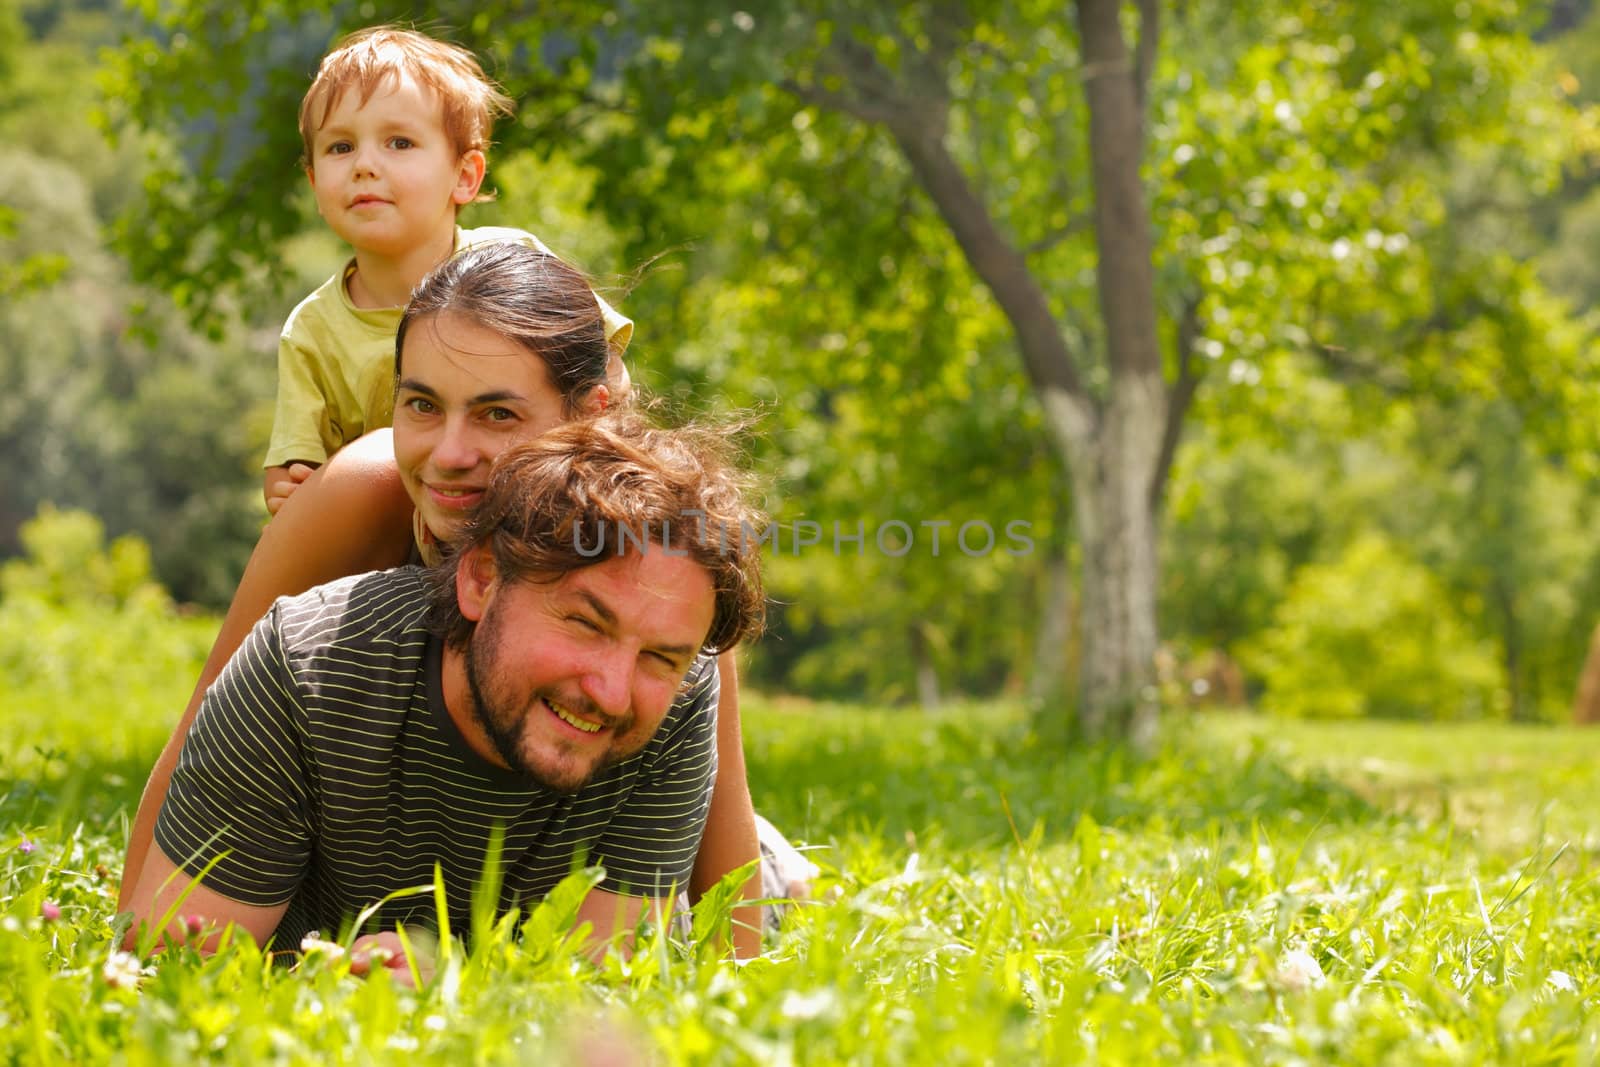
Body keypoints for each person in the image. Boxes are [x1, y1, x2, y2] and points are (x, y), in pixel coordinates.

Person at [120, 244, 803, 960]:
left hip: (601, 806)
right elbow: (204, 732)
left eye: (498, 414)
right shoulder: (365, 495)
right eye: (421, 403)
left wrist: (743, 970)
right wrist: (129, 933)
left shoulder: (652, 574)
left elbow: (722, 853)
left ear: (590, 415)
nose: (449, 453)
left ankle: (791, 868)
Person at [263, 25, 632, 516]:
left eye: (398, 142)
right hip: (394, 542)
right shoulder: (311, 332)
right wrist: (295, 491)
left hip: (531, 510)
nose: (364, 165)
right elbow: (290, 471)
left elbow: (607, 374)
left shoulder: (513, 260)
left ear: (465, 176)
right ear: (313, 182)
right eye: (340, 147)